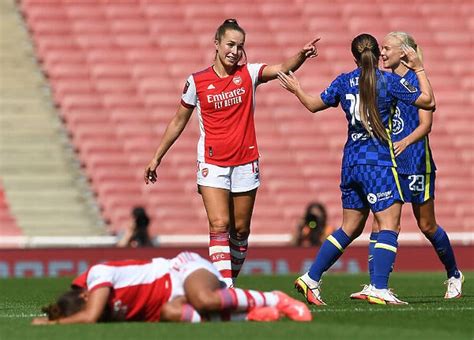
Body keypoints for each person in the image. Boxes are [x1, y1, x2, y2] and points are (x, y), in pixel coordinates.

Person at [144, 19, 319, 287]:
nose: (235, 51)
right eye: (230, 44)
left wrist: (301, 55)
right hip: (212, 162)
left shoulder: (248, 73)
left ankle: (226, 280)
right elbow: (178, 120)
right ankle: (226, 289)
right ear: (216, 44)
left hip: (246, 162)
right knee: (219, 224)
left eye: (240, 46)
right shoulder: (197, 81)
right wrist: (157, 156)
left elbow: (283, 68)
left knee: (240, 230)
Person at [278, 33, 435, 305]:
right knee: (389, 224)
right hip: (377, 163)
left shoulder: (343, 81)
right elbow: (428, 101)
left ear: (354, 57)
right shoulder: (388, 81)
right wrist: (418, 67)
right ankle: (378, 287)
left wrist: (297, 89)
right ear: (377, 55)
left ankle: (311, 278)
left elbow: (314, 105)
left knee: (349, 227)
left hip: (350, 161)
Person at [349, 32, 463, 301]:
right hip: (389, 163)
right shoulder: (383, 81)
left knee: (427, 225)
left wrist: (404, 141)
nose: (382, 53)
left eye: (387, 48)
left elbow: (427, 123)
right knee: (381, 224)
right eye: (382, 48)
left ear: (404, 52)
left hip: (415, 162)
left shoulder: (416, 80)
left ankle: (454, 274)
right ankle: (377, 285)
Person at [31, 251, 311, 325]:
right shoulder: (96, 299)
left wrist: (53, 325)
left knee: (203, 300)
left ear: (84, 294)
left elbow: (90, 316)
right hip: (168, 300)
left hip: (180, 269)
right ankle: (247, 315)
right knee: (170, 313)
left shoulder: (97, 275)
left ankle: (275, 299)